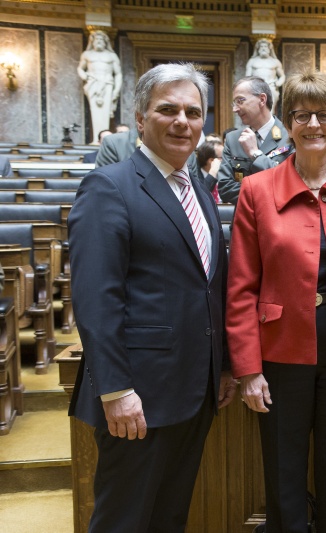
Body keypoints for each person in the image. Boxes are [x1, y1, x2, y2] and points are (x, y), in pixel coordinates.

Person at [67, 63, 236, 532]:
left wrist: (220, 366)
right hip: (136, 397)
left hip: (193, 391)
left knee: (168, 517)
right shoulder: (110, 186)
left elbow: (207, 286)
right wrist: (116, 390)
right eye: (168, 109)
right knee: (124, 520)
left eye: (193, 112)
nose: (183, 121)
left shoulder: (198, 191)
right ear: (141, 118)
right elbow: (97, 300)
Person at [226, 71, 326, 532]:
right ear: (288, 121)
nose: (312, 124)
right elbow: (241, 285)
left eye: (324, 115)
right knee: (283, 474)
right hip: (279, 353)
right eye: (301, 115)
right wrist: (248, 368)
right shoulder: (257, 190)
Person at [217, 76, 292, 204]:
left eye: (240, 101)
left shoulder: (291, 136)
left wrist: (255, 154)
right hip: (243, 222)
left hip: (278, 221)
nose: (235, 109)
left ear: (262, 99)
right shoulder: (233, 139)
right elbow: (225, 189)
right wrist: (270, 192)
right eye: (234, 103)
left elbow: (288, 183)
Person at [77, 30, 122, 144]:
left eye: (101, 40)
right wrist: (84, 76)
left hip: (107, 84)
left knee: (105, 112)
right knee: (95, 111)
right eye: (97, 39)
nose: (99, 42)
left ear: (106, 42)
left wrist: (116, 91)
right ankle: (96, 140)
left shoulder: (111, 56)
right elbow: (80, 68)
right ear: (92, 42)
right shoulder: (87, 55)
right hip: (93, 84)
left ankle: (104, 141)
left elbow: (118, 74)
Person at [245, 39, 286, 114]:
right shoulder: (252, 61)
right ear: (258, 49)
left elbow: (282, 76)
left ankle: (269, 125)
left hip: (271, 87)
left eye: (265, 46)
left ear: (269, 49)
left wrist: (278, 83)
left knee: (270, 110)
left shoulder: (275, 62)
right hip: (256, 88)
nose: (263, 48)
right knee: (256, 109)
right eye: (261, 46)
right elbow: (247, 78)